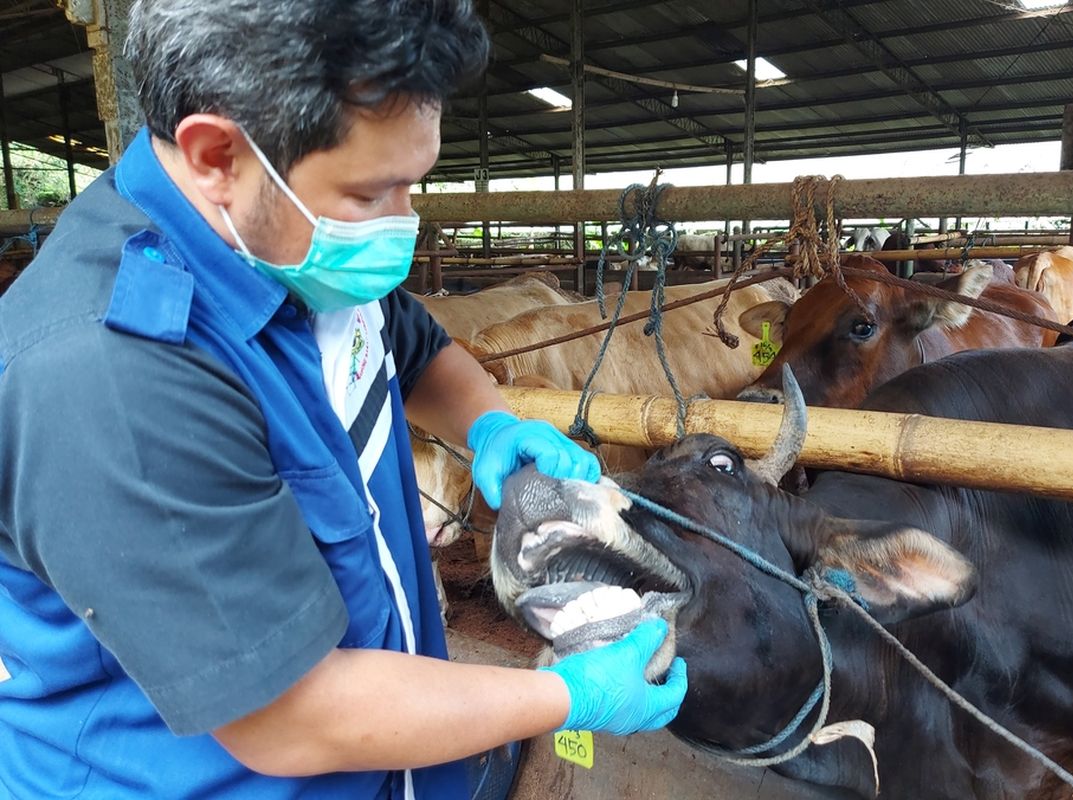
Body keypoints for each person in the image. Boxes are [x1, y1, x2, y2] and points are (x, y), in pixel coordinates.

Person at [0, 1, 687, 798]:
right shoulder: (113, 377)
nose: (403, 225)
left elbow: (415, 345)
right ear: (217, 154)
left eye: (414, 185)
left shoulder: (285, 245)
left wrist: (489, 422)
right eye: (371, 194)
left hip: (384, 750)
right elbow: (292, 713)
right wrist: (569, 695)